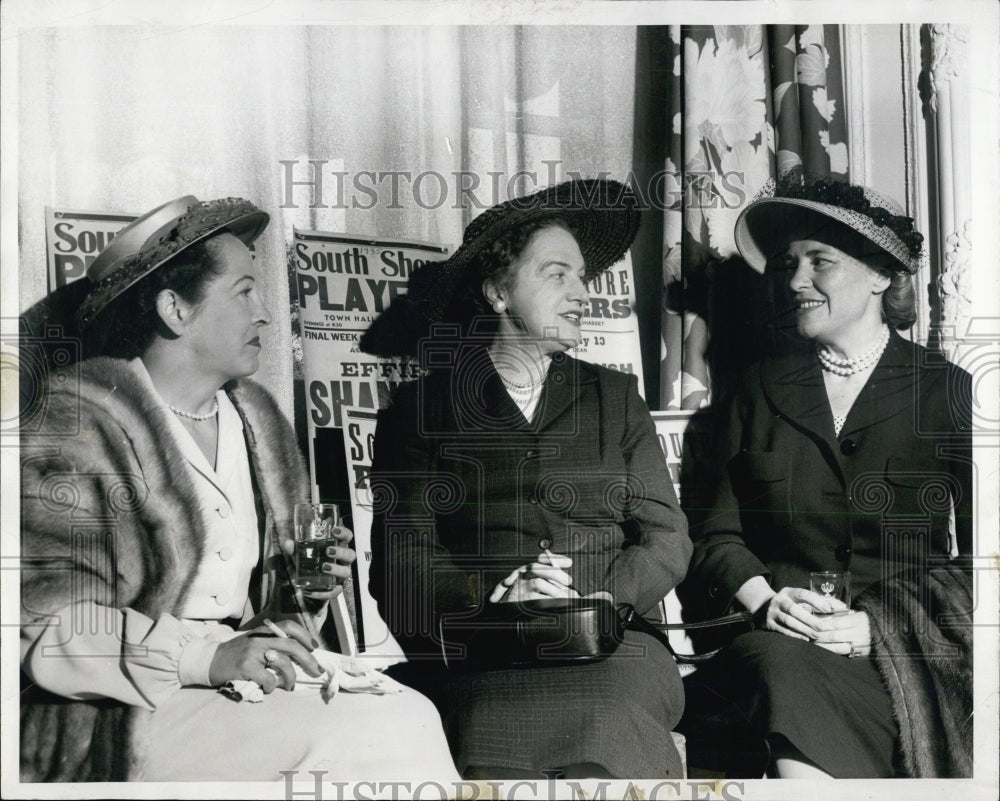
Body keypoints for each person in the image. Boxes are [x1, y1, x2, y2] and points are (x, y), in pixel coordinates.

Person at [19, 195, 460, 782]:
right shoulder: (77, 426)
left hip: (239, 687)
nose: (266, 315)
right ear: (175, 309)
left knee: (409, 712)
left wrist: (306, 593)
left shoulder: (258, 423)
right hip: (123, 710)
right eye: (244, 291)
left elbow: (270, 619)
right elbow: (46, 623)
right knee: (372, 733)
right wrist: (207, 657)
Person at [360, 179, 693, 779]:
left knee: (612, 709)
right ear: (497, 292)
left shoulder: (614, 398)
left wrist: (600, 602)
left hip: (612, 644)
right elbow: (401, 561)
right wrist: (493, 605)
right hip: (482, 653)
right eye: (556, 274)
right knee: (486, 724)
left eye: (583, 276)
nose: (580, 293)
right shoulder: (420, 411)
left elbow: (667, 537)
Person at [677, 173, 973, 778]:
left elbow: (989, 558)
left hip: (901, 659)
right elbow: (712, 531)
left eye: (821, 262)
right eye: (790, 264)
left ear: (880, 276)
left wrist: (880, 629)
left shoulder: (948, 394)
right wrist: (764, 602)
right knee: (777, 664)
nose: (795, 282)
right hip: (771, 645)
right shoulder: (755, 391)